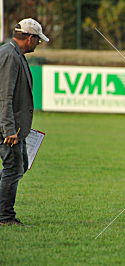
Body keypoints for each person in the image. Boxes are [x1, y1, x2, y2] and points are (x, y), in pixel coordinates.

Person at [0, 18, 49, 226]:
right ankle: (5, 217)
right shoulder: (10, 56)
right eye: (37, 40)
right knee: (13, 168)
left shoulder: (13, 53)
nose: (38, 44)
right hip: (8, 128)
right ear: (29, 38)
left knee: (19, 165)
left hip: (15, 126)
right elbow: (5, 95)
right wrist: (9, 129)